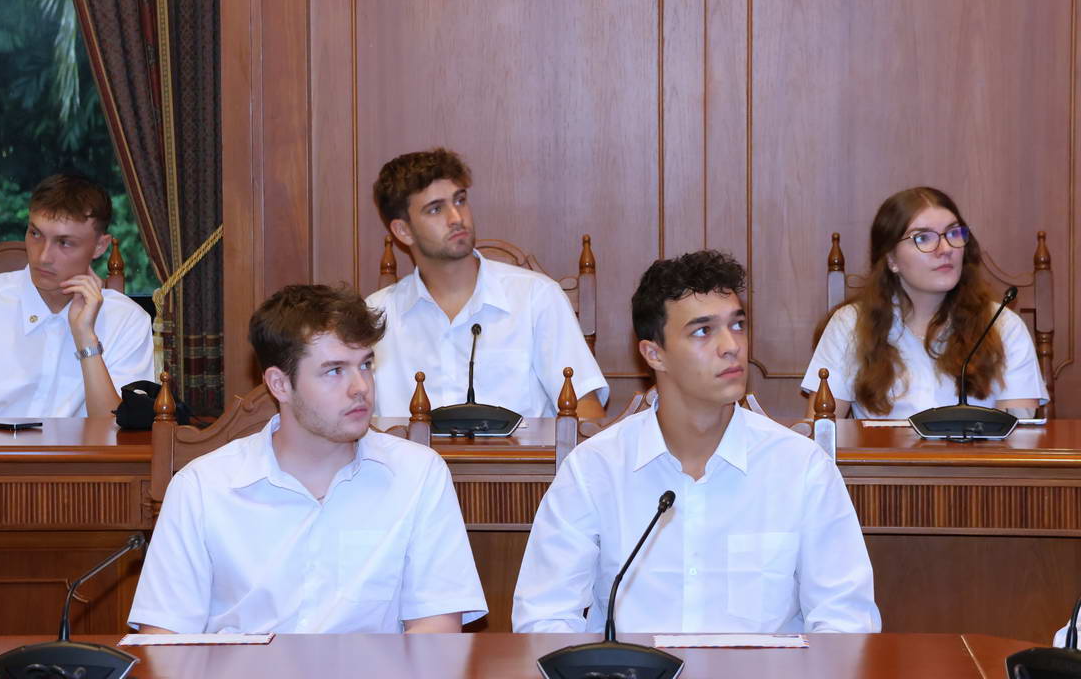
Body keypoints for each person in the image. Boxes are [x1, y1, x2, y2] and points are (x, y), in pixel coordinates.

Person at [512, 251, 880, 634]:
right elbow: (543, 618)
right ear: (654, 354)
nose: (731, 346)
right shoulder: (595, 469)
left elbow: (846, 622)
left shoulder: (801, 467)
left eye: (737, 325)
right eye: (703, 331)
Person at [128, 284, 487, 634]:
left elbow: (436, 627)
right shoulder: (201, 488)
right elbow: (163, 637)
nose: (361, 387)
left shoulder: (418, 474)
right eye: (335, 371)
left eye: (365, 365)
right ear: (279, 384)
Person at [367, 148, 608, 418]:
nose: (456, 218)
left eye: (460, 201)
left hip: (524, 448)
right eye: (435, 209)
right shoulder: (376, 315)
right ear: (403, 231)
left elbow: (586, 412)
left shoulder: (536, 297)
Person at [0, 173, 152, 419]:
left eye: (64, 243)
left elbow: (115, 431)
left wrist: (86, 338)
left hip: (81, 451)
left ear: (99, 246)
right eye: (35, 234)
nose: (43, 256)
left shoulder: (127, 320)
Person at [802, 187, 1048, 419]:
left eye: (953, 233)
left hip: (980, 454)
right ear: (891, 259)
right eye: (923, 238)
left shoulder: (1002, 325)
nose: (945, 249)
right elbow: (822, 431)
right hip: (879, 453)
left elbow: (1021, 435)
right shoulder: (850, 325)